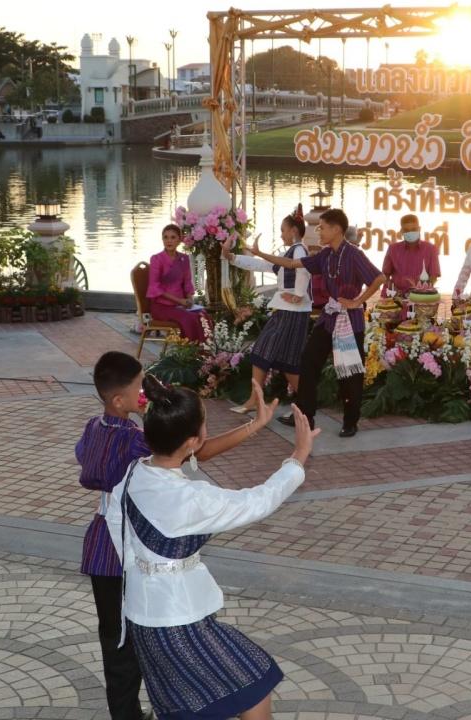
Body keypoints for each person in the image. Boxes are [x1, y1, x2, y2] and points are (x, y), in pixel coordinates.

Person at [77, 352, 279, 720]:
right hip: (134, 546)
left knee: (116, 645)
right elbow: (197, 450)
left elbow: (87, 466)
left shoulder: (94, 428)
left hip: (99, 548)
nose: (147, 393)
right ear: (119, 400)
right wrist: (253, 427)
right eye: (140, 388)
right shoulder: (136, 442)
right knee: (143, 643)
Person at [104, 375, 318, 720]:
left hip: (143, 618)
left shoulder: (131, 476)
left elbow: (118, 534)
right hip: (179, 623)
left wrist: (148, 572)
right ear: (193, 441)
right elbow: (259, 501)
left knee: (192, 705)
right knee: (254, 683)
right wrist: (298, 456)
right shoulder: (191, 499)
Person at [254, 208, 385, 438]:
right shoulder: (325, 255)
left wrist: (357, 301)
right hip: (329, 316)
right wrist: (260, 253)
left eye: (322, 227)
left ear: (336, 229)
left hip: (349, 320)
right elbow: (292, 264)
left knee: (349, 371)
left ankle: (350, 422)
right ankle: (305, 415)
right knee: (308, 361)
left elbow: (379, 278)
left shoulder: (353, 254)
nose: (319, 231)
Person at [223, 205, 312, 414]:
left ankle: (299, 404)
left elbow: (303, 271)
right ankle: (302, 404)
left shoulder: (299, 250)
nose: (281, 234)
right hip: (287, 310)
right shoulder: (291, 251)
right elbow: (263, 265)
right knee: (282, 359)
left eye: (283, 230)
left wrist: (298, 295)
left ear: (293, 231)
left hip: (292, 312)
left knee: (272, 354)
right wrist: (232, 257)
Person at [147, 225, 209, 342]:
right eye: (165, 237)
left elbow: (187, 283)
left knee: (203, 315)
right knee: (189, 318)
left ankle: (207, 348)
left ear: (179, 240)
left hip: (180, 305)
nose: (169, 241)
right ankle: (189, 349)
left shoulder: (184, 259)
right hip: (162, 307)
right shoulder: (156, 259)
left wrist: (189, 300)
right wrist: (180, 301)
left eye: (173, 237)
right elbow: (155, 288)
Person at [381, 213, 439, 296]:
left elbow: (434, 276)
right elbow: (384, 276)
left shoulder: (431, 249)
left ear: (419, 229)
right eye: (406, 230)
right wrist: (394, 290)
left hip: (420, 297)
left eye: (413, 229)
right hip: (394, 297)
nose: (410, 232)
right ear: (401, 231)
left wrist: (421, 291)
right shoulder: (393, 249)